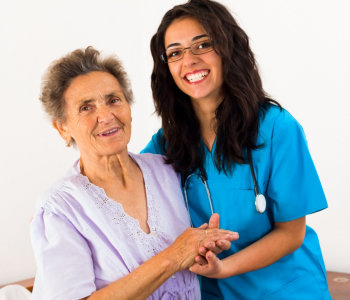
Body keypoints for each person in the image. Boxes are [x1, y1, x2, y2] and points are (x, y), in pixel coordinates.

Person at [142, 0, 332, 299]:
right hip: (213, 291)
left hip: (286, 288)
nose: (188, 61)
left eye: (202, 45)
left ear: (228, 48)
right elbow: (121, 183)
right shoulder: (167, 143)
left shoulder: (276, 127)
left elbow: (291, 233)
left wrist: (223, 269)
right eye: (175, 52)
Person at [30, 46, 239, 300]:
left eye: (113, 100)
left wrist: (202, 246)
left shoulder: (167, 170)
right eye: (86, 108)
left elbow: (190, 251)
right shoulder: (60, 209)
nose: (106, 116)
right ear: (62, 128)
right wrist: (174, 255)